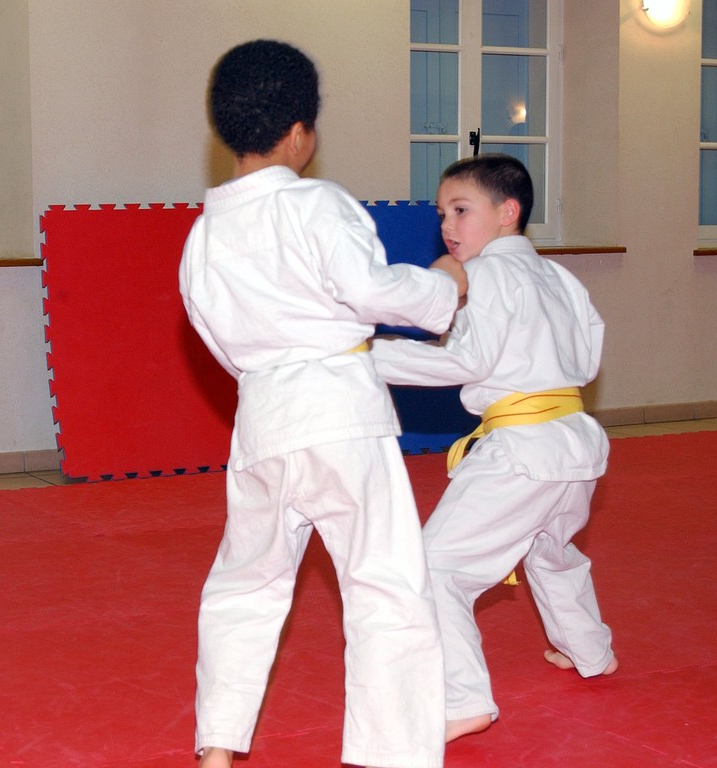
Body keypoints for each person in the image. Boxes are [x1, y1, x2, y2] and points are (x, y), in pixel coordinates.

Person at [179, 39, 466, 768]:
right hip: (340, 414)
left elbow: (214, 336)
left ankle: (216, 748)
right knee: (386, 585)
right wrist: (444, 288)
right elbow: (370, 291)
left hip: (264, 420)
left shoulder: (203, 236)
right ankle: (392, 756)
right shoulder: (317, 204)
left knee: (245, 585)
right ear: (303, 132)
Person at [371, 153, 617, 743]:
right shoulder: (560, 277)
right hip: (576, 442)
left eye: (461, 210)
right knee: (551, 553)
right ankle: (591, 652)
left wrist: (366, 356)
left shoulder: (486, 275)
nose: (448, 226)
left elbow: (466, 362)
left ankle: (463, 700)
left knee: (435, 567)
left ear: (508, 213)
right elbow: (586, 360)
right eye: (442, 214)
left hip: (522, 452)